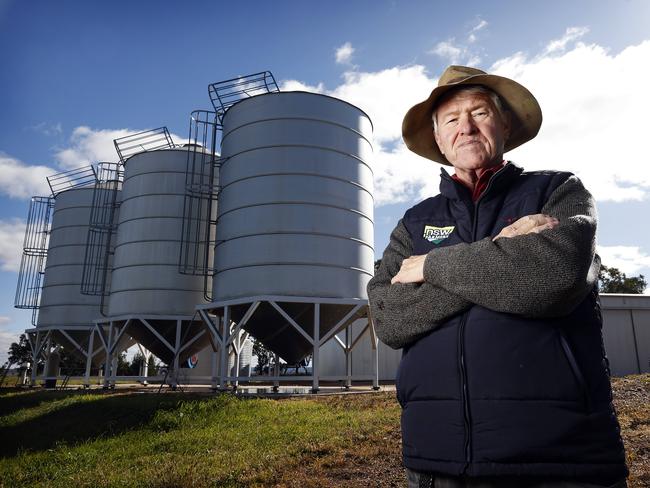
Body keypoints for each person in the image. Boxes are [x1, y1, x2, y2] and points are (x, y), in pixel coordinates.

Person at [367, 65, 628, 487]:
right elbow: (389, 317)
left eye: (480, 113)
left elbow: (552, 278)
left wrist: (432, 266)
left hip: (562, 461)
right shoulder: (415, 222)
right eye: (452, 119)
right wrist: (500, 255)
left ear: (504, 123)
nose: (466, 127)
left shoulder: (557, 190)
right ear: (438, 138)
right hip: (438, 464)